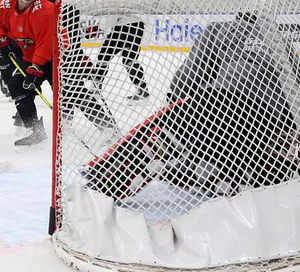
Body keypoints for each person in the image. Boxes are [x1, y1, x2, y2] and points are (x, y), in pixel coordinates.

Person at [82, 12, 300, 201]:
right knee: (244, 151)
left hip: (217, 103)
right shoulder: (282, 43)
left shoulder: (221, 29)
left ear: (238, 17)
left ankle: (115, 173)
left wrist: (178, 111)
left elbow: (188, 77)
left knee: (167, 133)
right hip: (267, 122)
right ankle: (229, 173)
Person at [39, 0, 119, 142]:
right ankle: (106, 127)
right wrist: (81, 61)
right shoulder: (68, 0)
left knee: (58, 90)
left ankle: (42, 126)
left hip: (34, 53)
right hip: (59, 56)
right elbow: (72, 41)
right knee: (75, 90)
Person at [0, 0, 54, 146]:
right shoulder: (6, 5)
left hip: (56, 59)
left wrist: (35, 67)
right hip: (33, 58)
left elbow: (46, 43)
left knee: (72, 96)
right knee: (16, 86)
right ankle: (36, 132)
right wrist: (1, 39)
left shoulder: (44, 11)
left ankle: (105, 129)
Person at [92, 0, 149, 103]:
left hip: (132, 25)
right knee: (104, 55)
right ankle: (96, 88)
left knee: (128, 59)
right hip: (122, 26)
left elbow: (111, 16)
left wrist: (97, 28)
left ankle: (143, 92)